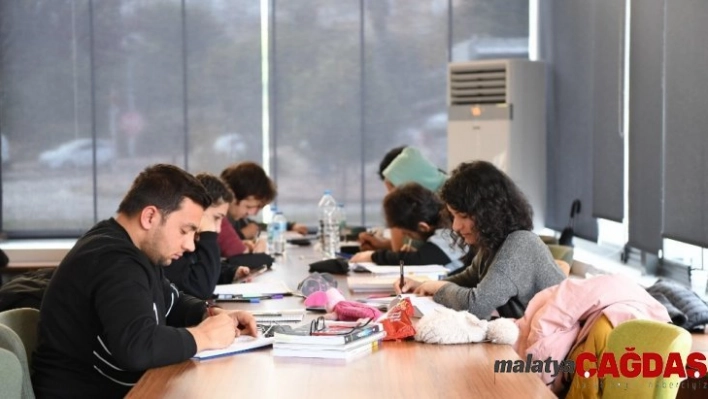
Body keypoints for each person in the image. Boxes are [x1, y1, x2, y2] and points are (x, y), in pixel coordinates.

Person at [32, 164, 257, 398]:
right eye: (185, 230)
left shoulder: (137, 252)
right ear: (150, 216)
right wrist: (205, 336)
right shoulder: (114, 260)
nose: (190, 245)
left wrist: (209, 314)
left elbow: (173, 302)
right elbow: (137, 346)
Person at [394, 161, 566, 319]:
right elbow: (469, 278)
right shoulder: (494, 244)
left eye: (463, 216)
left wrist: (438, 288)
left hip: (548, 348)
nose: (455, 226)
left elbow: (476, 305)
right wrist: (424, 285)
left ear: (490, 213)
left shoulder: (520, 245)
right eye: (453, 216)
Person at [164, 173, 250, 299]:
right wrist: (208, 234)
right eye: (216, 218)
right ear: (200, 209)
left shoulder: (191, 242)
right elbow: (199, 288)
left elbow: (196, 266)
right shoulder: (172, 243)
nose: (219, 228)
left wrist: (231, 273)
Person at [350, 182, 465, 271]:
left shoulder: (449, 232)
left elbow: (421, 259)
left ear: (423, 227)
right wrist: (415, 253)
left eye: (408, 234)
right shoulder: (441, 225)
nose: (409, 238)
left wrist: (373, 256)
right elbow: (427, 257)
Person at [358, 146, 447, 252]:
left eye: (394, 193)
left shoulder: (452, 213)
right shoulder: (433, 207)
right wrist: (382, 244)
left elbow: (423, 256)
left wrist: (396, 218)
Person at [217, 161, 277, 257]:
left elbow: (256, 225)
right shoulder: (218, 218)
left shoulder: (236, 219)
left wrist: (290, 225)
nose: (253, 213)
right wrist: (242, 235)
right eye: (248, 207)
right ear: (231, 196)